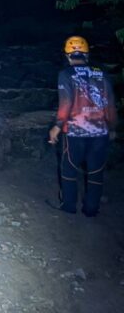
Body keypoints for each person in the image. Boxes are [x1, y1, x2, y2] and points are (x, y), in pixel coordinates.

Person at [48, 36, 117, 216]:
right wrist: (113, 126)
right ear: (86, 54)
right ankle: (91, 209)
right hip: (100, 131)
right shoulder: (101, 73)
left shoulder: (66, 74)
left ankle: (69, 207)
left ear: (68, 55)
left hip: (74, 131)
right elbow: (110, 102)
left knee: (69, 169)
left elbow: (66, 102)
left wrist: (57, 125)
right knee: (96, 171)